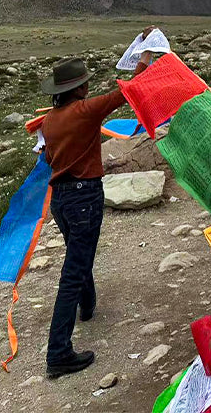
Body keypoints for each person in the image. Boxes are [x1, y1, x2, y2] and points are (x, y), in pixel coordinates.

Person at [41, 27, 156, 379]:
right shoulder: (86, 110)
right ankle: (58, 352)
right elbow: (128, 91)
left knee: (79, 254)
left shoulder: (48, 120)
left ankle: (88, 306)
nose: (89, 86)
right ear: (77, 88)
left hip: (61, 199)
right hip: (84, 196)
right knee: (73, 271)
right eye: (85, 82)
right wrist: (147, 50)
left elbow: (48, 159)